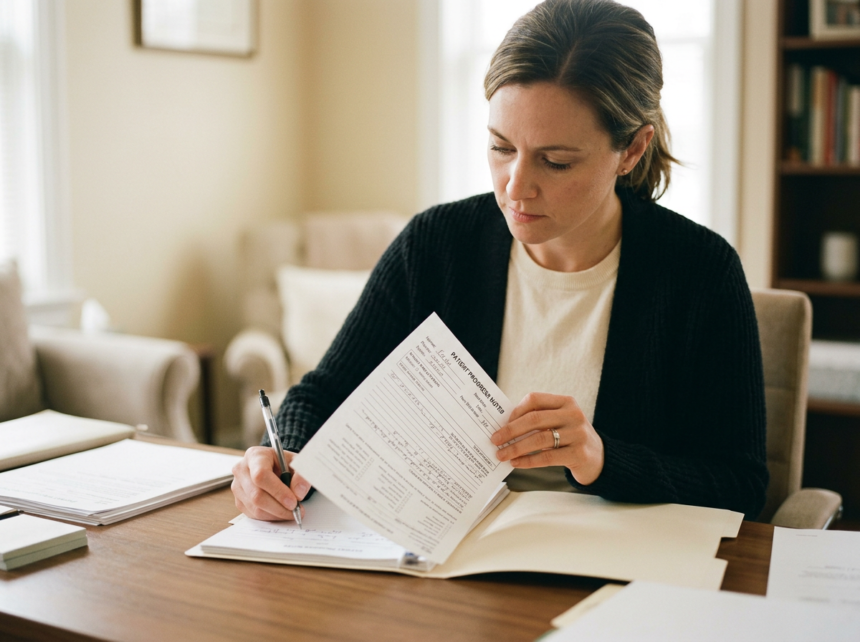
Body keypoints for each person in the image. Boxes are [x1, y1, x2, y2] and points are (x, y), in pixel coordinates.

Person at [231, 0, 768, 523]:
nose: (515, 188)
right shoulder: (435, 246)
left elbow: (741, 484)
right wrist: (279, 457)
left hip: (617, 578)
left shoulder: (700, 274)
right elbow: (323, 393)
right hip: (443, 566)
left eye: (555, 162)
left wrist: (602, 460)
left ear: (630, 150)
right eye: (500, 147)